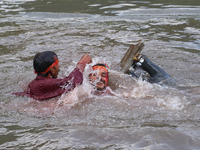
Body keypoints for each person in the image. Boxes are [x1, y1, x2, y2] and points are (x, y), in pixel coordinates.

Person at [13, 51, 92, 100]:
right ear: (52, 70)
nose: (59, 66)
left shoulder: (35, 83)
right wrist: (82, 63)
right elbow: (72, 82)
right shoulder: (44, 84)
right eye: (57, 64)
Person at [89, 54, 172, 91]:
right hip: (150, 86)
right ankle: (135, 67)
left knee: (164, 78)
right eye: (95, 75)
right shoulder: (85, 91)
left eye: (103, 75)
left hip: (162, 83)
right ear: (89, 77)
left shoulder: (113, 88)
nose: (99, 78)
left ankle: (140, 61)